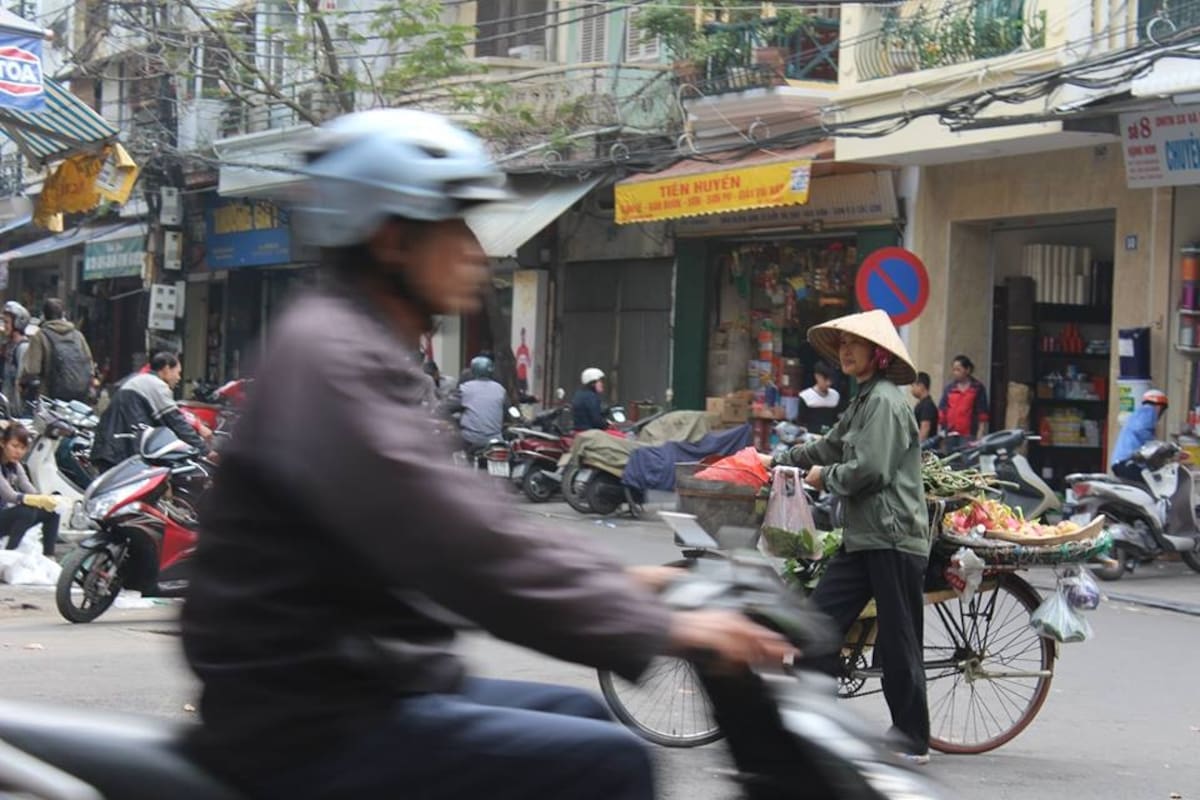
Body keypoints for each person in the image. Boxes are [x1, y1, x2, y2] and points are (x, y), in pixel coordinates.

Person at [178, 109, 789, 800]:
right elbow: (461, 548)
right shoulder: (334, 357)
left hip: (366, 679)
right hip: (309, 717)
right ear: (391, 239)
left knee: (584, 716)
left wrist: (635, 583)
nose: (476, 251)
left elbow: (471, 521)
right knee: (605, 761)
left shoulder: (364, 347)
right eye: (455, 228)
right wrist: (661, 626)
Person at [763, 309, 930, 763]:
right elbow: (830, 443)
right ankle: (819, 724)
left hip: (893, 536)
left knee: (898, 641)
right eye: (841, 345)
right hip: (862, 536)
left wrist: (823, 476)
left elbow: (869, 470)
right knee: (818, 625)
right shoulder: (862, 401)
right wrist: (782, 457)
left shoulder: (886, 402)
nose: (846, 351)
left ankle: (913, 739)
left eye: (855, 344)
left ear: (878, 354)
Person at [91, 352, 210, 472]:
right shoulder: (156, 385)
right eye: (178, 373)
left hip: (110, 448)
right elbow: (176, 422)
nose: (179, 378)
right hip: (120, 451)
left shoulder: (140, 379)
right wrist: (205, 451)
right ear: (167, 369)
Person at [0, 423, 61, 560]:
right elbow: (9, 495)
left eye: (22, 448)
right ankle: (9, 556)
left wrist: (48, 500)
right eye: (14, 446)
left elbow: (28, 487)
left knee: (53, 511)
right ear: (3, 443)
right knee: (26, 511)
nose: (18, 452)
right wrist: (34, 500)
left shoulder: (15, 465)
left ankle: (49, 556)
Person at [18, 298, 95, 403]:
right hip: (78, 399)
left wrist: (21, 385)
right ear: (63, 314)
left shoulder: (40, 336)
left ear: (44, 315)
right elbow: (89, 365)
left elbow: (31, 369)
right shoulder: (77, 335)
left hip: (49, 399)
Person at [444, 355, 507, 450]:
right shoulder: (500, 389)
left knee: (448, 449)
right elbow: (507, 410)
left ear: (473, 370)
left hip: (470, 438)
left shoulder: (465, 388)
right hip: (496, 439)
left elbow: (445, 408)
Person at [1111, 389, 1169, 481]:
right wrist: (1157, 445)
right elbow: (1142, 432)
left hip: (1121, 462)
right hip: (1129, 462)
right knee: (1154, 483)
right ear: (1159, 406)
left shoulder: (1138, 414)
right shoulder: (1149, 411)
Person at [938, 354, 988, 439]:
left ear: (967, 370)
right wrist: (940, 433)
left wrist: (980, 434)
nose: (955, 373)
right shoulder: (949, 389)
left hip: (969, 435)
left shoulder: (977, 388)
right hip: (950, 434)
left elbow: (982, 415)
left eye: (958, 370)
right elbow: (942, 413)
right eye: (954, 370)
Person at [1, 301, 31, 416]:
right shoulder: (7, 346)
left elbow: (20, 383)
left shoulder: (23, 347)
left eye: (7, 322)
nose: (4, 326)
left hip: (15, 412)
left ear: (18, 323)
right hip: (5, 407)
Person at [797, 360, 841, 434]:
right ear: (817, 376)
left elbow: (837, 420)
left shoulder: (835, 395)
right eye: (825, 379)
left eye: (830, 380)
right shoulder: (805, 396)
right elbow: (801, 422)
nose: (828, 383)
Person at [573, 367, 606, 432]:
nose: (602, 384)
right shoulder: (591, 397)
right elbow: (597, 421)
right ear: (592, 383)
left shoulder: (580, 394)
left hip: (581, 432)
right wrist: (606, 424)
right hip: (591, 433)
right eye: (600, 382)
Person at [910, 371, 939, 442]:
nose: (911, 389)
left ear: (921, 386)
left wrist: (917, 447)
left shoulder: (927, 405)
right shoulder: (922, 404)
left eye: (913, 386)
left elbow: (925, 429)